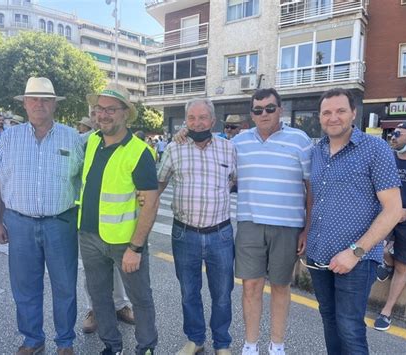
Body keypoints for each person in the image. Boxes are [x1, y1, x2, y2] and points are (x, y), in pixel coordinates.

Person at [0, 77, 83, 355]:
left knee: (65, 286)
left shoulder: (72, 138)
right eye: (33, 99)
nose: (39, 104)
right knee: (25, 287)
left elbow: (89, 178)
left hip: (61, 223)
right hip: (19, 223)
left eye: (45, 99)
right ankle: (32, 339)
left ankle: (65, 342)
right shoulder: (9, 137)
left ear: (54, 104)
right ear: (25, 104)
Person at [306, 88, 402, 354]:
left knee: (350, 328)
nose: (333, 117)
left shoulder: (375, 149)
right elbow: (314, 198)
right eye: (327, 112)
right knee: (329, 320)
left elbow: (393, 210)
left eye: (340, 111)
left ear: (354, 113)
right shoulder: (317, 151)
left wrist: (355, 252)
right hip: (318, 255)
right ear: (320, 116)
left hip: (356, 260)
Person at [78, 83, 159, 355]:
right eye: (99, 109)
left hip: (125, 241)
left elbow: (151, 203)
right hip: (89, 235)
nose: (103, 115)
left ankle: (146, 347)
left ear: (126, 113)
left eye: (111, 109)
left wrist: (135, 247)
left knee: (140, 298)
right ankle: (112, 346)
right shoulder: (92, 140)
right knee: (99, 297)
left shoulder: (140, 152)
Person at [231, 89, 313, 355]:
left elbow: (310, 187)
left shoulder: (300, 140)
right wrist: (183, 135)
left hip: (287, 226)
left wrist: (307, 229)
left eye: (269, 108)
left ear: (280, 110)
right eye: (257, 110)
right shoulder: (239, 142)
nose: (263, 114)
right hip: (250, 224)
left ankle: (277, 345)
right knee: (251, 286)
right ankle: (250, 345)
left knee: (280, 285)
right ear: (251, 113)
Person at [158, 98, 236, 355]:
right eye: (191, 118)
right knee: (189, 291)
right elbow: (159, 184)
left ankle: (222, 343)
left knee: (223, 293)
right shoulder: (174, 148)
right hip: (185, 233)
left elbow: (234, 181)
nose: (197, 122)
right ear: (185, 121)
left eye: (202, 117)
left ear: (213, 122)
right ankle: (195, 339)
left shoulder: (228, 149)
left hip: (220, 233)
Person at [374, 122, 406, 331]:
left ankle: (386, 312)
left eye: (398, 133)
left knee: (403, 265)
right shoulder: (389, 158)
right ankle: (386, 262)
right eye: (392, 133)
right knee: (378, 246)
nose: (393, 137)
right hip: (387, 216)